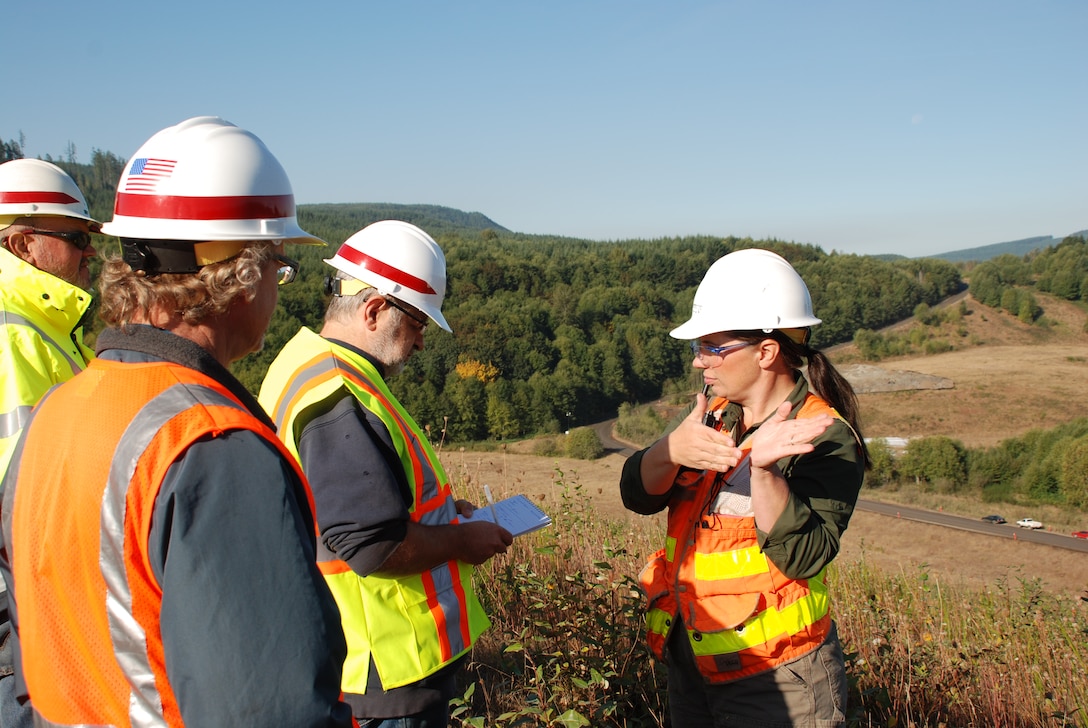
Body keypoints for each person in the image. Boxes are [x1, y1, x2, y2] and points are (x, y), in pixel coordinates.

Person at [0, 116, 353, 726]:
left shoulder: (57, 412)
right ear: (240, 275)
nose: (277, 284)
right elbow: (269, 712)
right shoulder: (213, 448)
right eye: (277, 265)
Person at [259, 220, 513, 727]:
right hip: (386, 670)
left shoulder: (308, 363)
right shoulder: (339, 396)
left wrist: (446, 514)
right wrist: (462, 542)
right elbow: (372, 545)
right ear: (374, 310)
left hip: (365, 666)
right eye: (417, 324)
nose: (421, 343)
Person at [620, 248, 869, 727]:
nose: (699, 362)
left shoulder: (824, 434)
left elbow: (804, 556)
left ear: (766, 352)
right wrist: (668, 451)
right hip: (693, 660)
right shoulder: (714, 413)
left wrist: (765, 472)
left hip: (778, 677)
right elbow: (637, 495)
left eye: (713, 347)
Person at [0, 158, 102, 728]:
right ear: (21, 245)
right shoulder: (14, 337)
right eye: (74, 238)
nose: (90, 253)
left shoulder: (40, 326)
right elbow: (36, 510)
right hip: (27, 621)